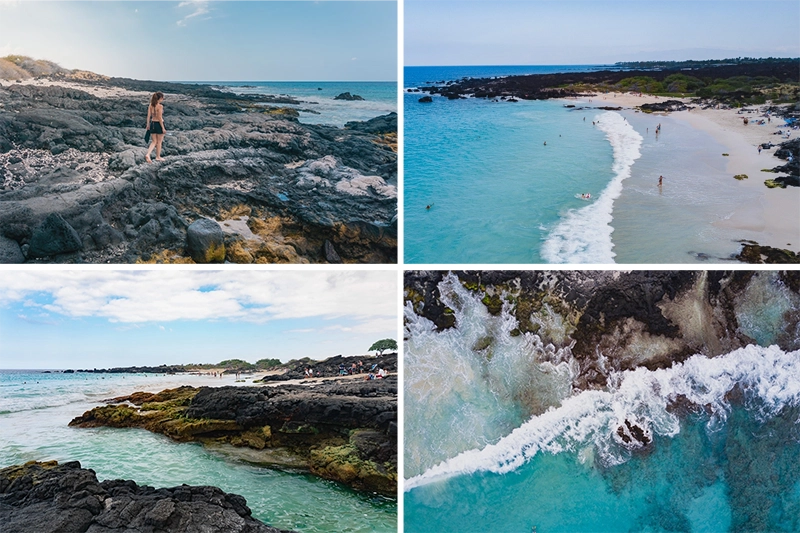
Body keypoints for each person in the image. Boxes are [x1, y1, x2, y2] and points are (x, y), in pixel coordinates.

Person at [145, 92, 166, 163]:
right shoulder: (160, 106)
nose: (163, 99)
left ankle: (148, 154)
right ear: (159, 98)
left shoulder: (151, 105)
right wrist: (163, 128)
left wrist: (148, 125)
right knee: (159, 142)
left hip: (152, 124)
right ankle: (158, 157)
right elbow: (160, 118)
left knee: (154, 141)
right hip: (159, 124)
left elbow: (148, 116)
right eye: (162, 98)